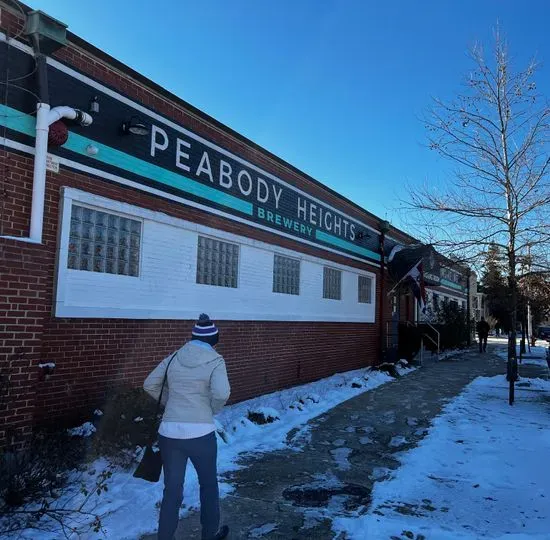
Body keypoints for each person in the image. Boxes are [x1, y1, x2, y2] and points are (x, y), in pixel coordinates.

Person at [144, 314, 231, 540]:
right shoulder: (215, 360)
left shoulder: (174, 357)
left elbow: (149, 384)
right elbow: (221, 393)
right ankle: (209, 535)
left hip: (169, 434)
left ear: (192, 337)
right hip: (201, 433)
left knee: (172, 490)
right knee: (208, 485)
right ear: (214, 340)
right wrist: (209, 409)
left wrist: (169, 403)